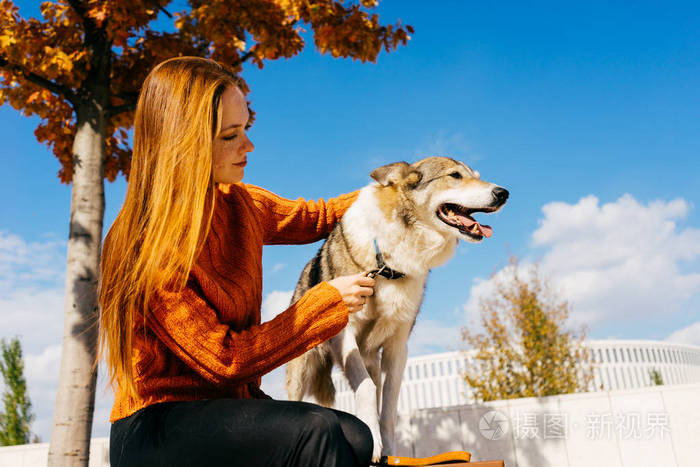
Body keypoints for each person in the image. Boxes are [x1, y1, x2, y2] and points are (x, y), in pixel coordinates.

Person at [98, 56, 376, 467]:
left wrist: (406, 188)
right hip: (156, 425)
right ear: (184, 143)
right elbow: (225, 361)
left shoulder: (239, 204)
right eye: (231, 135)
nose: (249, 146)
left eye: (247, 128)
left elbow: (317, 216)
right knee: (315, 431)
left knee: (356, 437)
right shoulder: (144, 244)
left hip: (230, 410)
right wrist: (324, 303)